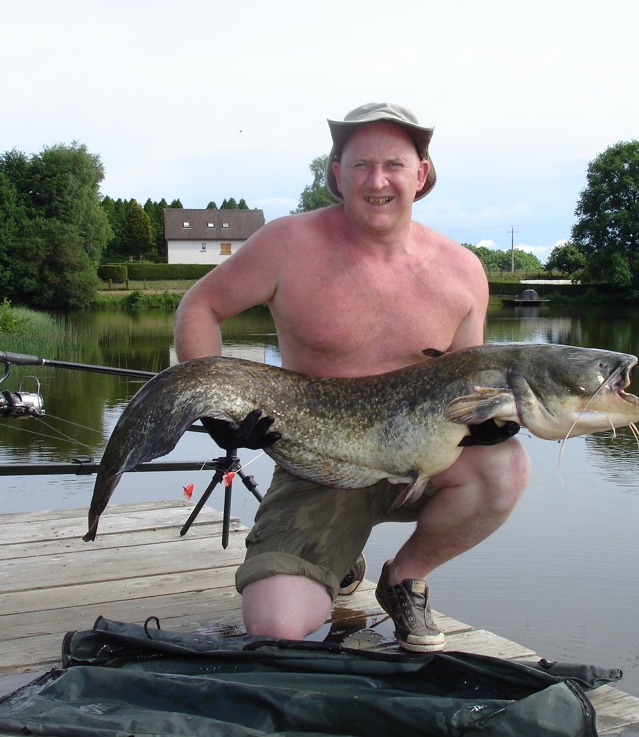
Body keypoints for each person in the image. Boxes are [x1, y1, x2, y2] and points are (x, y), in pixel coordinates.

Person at [174, 102, 531, 652]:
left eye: (394, 163)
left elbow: (471, 377)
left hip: (421, 457)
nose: (377, 180)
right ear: (336, 174)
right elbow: (200, 306)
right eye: (360, 164)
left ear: (422, 173)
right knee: (277, 628)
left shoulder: (463, 270)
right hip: (319, 465)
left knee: (503, 469)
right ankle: (337, 559)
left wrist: (489, 423)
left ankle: (404, 579)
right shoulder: (286, 244)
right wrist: (217, 408)